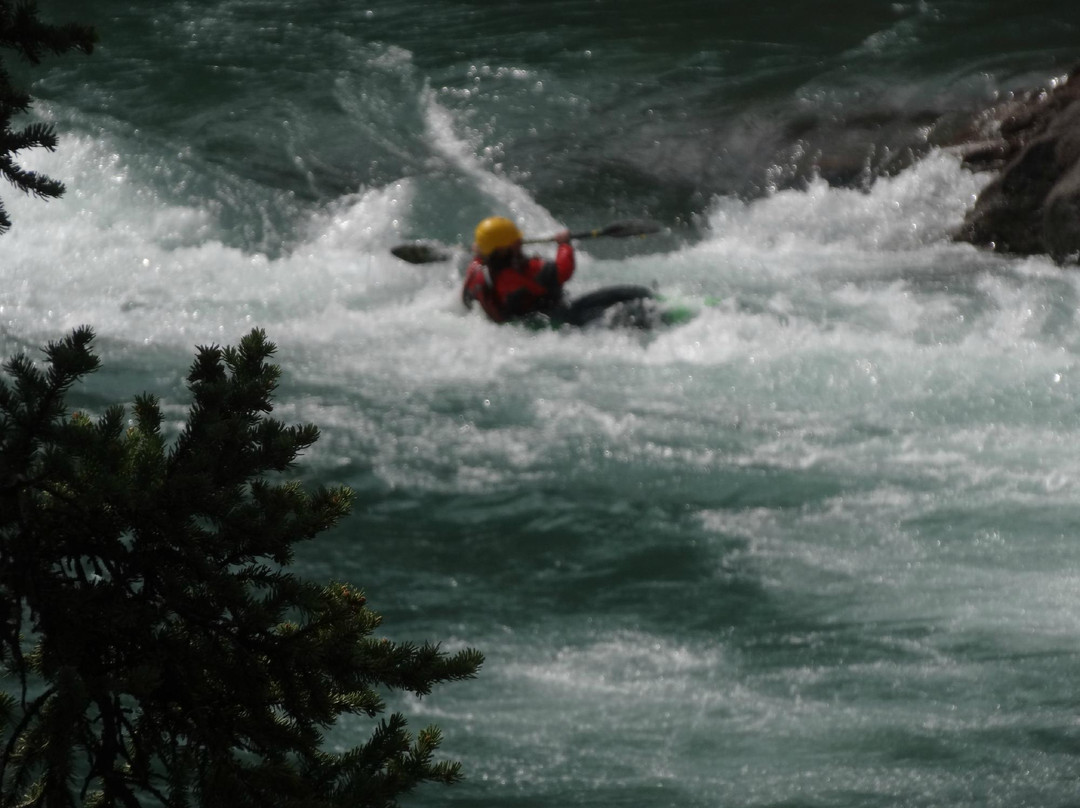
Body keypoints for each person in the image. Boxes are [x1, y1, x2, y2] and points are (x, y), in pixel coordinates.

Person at [461, 216, 575, 323]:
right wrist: (565, 244)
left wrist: (482, 248)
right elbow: (563, 271)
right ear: (502, 250)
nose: (520, 242)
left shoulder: (476, 266)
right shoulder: (524, 272)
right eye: (516, 241)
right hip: (544, 318)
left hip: (507, 320)